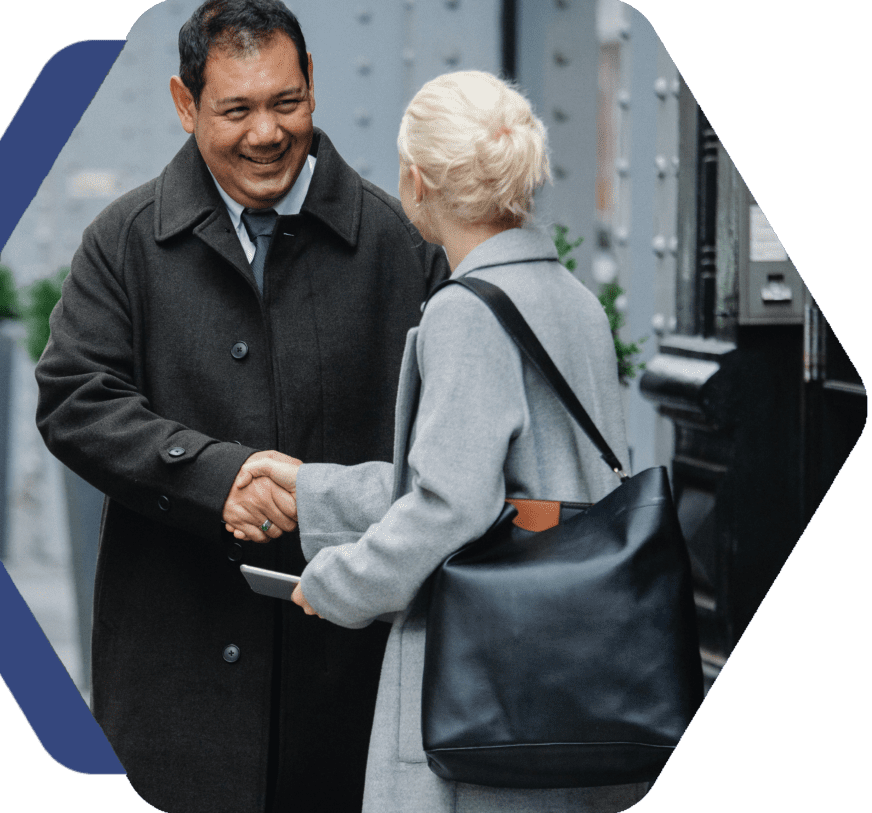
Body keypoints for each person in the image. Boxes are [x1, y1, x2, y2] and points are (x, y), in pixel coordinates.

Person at [34, 1, 449, 811]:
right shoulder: (123, 240)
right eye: (236, 109)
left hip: (349, 692)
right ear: (185, 106)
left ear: (315, 88)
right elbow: (75, 396)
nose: (267, 132)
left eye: (285, 102)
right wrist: (217, 476)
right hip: (173, 684)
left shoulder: (401, 246)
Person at [231, 71, 651, 812]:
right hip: (576, 676)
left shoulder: (465, 311)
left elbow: (450, 505)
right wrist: (311, 487)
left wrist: (334, 583)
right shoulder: (574, 301)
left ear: (417, 181)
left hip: (483, 698)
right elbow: (522, 488)